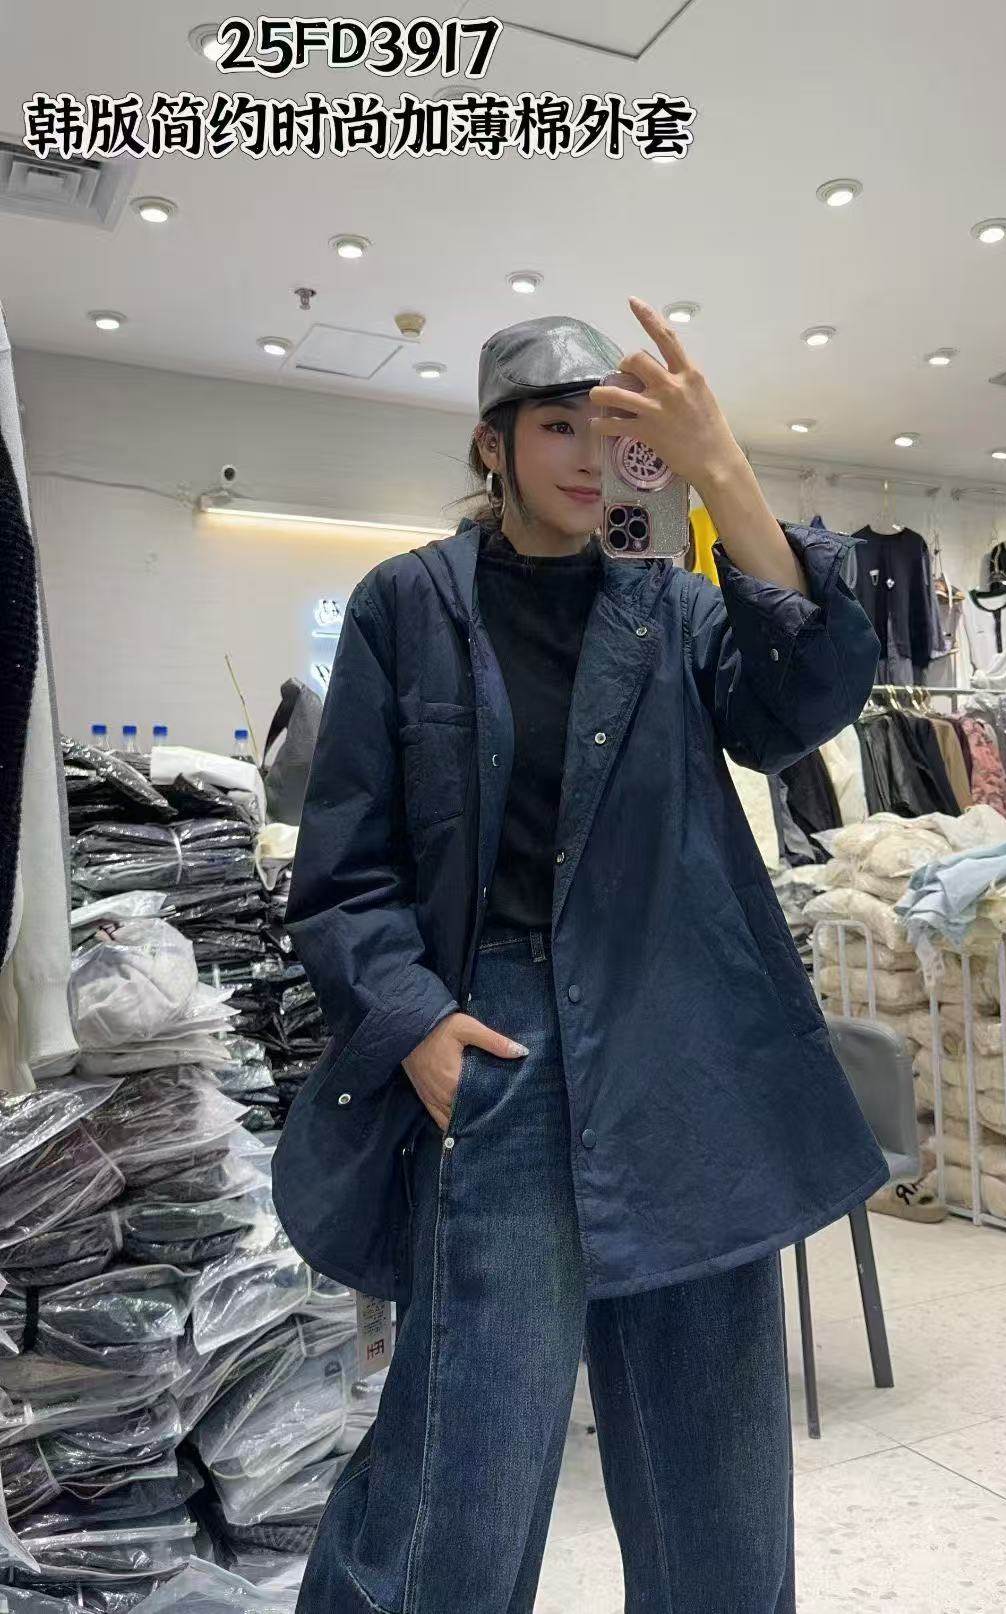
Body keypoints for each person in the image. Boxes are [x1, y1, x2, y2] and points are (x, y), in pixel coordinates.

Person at [272, 298, 889, 1613]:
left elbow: (803, 701)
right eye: (557, 425)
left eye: (609, 430)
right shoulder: (404, 607)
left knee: (715, 1454)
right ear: (491, 444)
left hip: (681, 1038)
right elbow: (345, 868)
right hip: (492, 1042)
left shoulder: (670, 609)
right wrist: (415, 1023)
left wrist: (722, 467)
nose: (586, 455)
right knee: (467, 1457)